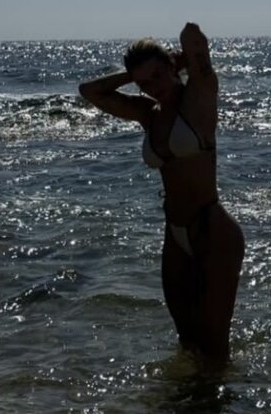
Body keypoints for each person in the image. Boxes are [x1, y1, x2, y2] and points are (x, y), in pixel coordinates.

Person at [79, 22, 244, 367]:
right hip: (175, 232)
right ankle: (187, 395)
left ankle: (222, 393)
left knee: (214, 347)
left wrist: (178, 60)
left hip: (212, 231)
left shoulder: (198, 96)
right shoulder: (147, 114)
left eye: (157, 76)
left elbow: (192, 34)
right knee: (187, 342)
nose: (154, 88)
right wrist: (132, 76)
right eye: (144, 84)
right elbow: (89, 91)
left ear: (172, 67)